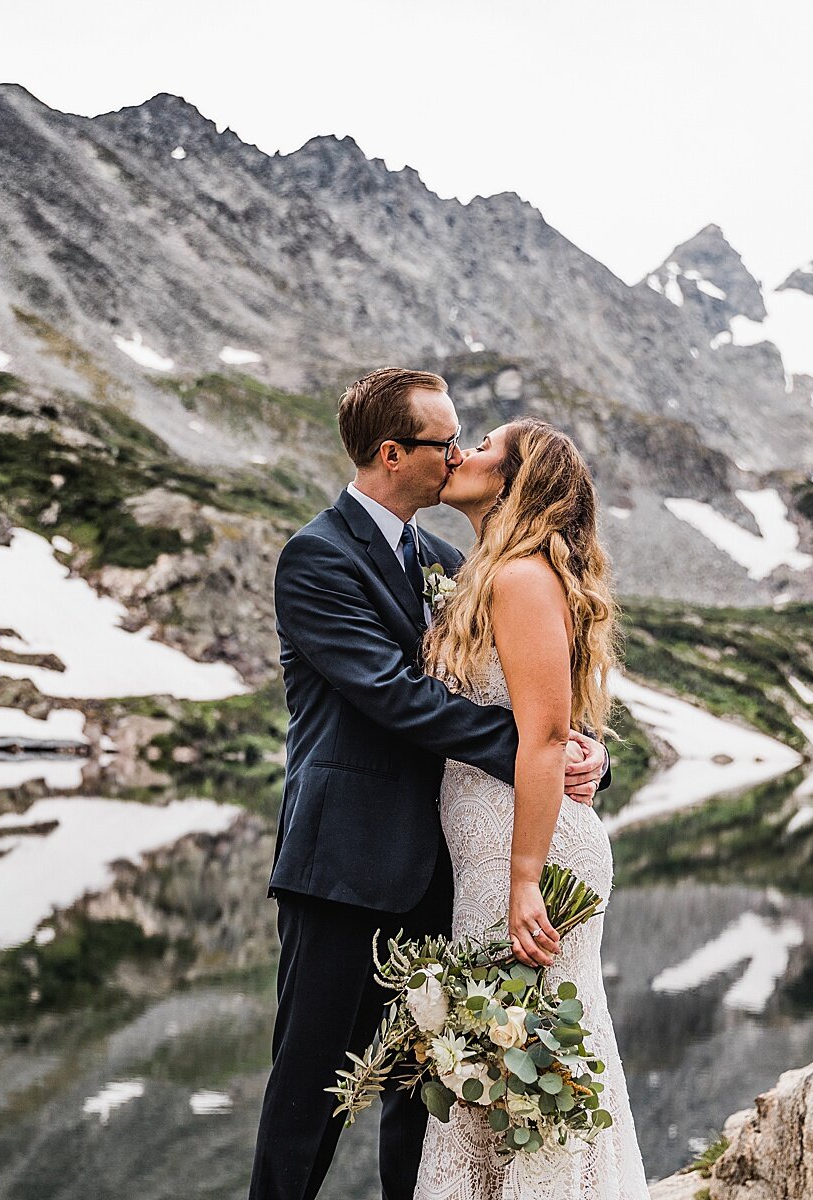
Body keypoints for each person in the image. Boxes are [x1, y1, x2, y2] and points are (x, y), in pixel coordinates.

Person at [249, 369, 611, 1200]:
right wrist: (534, 750)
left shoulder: (450, 560)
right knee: (311, 1096)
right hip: (342, 867)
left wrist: (576, 750)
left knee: (427, 1099)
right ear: (391, 453)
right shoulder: (316, 558)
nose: (456, 453)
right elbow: (391, 695)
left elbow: (533, 686)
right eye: (443, 442)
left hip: (444, 876)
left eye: (463, 441)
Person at [413, 416, 649, 1199]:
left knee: (531, 1078)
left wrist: (522, 881)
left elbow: (545, 738)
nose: (461, 452)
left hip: (529, 858)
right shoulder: (492, 572)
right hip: (495, 850)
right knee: (502, 1073)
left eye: (482, 446)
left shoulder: (518, 577)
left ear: (512, 481)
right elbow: (552, 724)